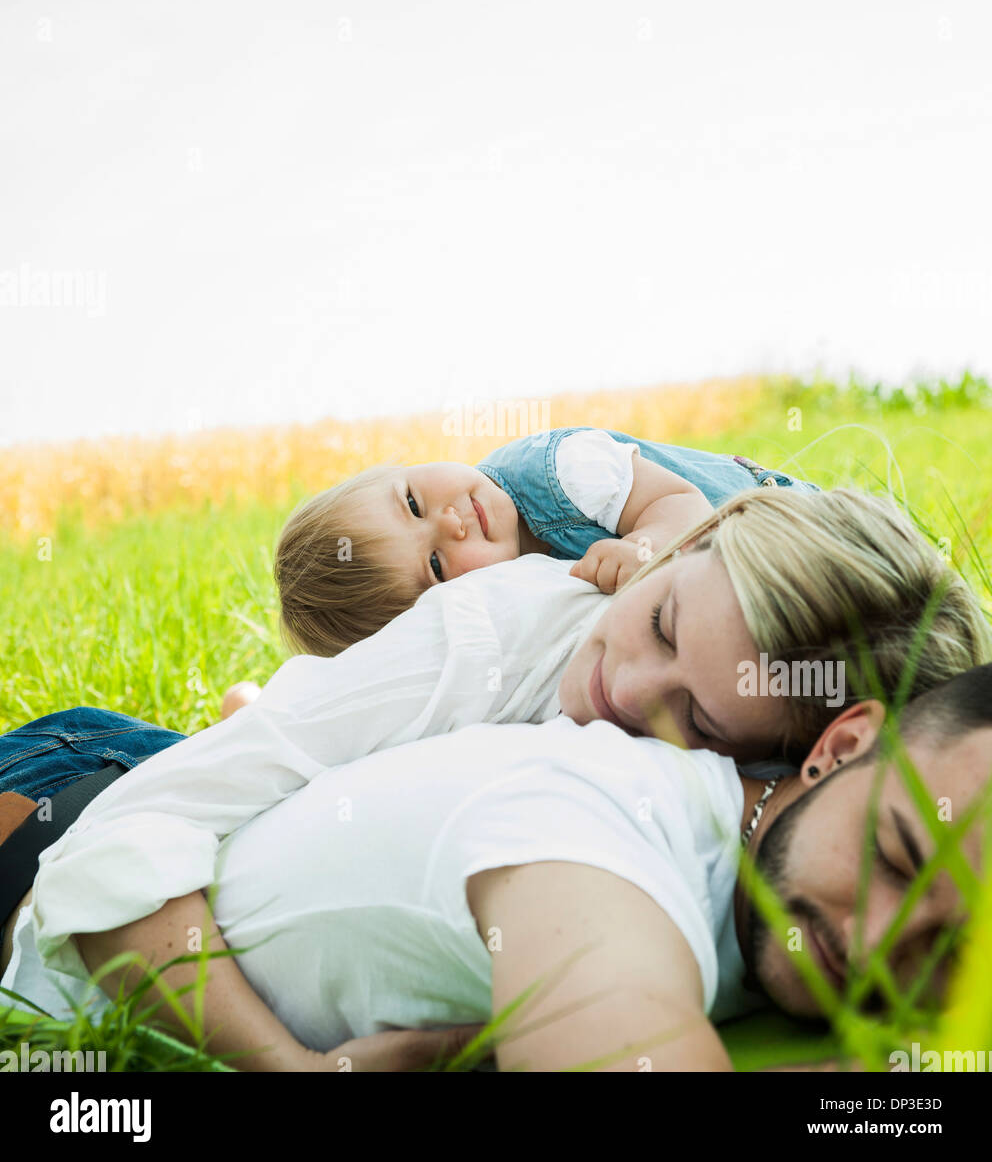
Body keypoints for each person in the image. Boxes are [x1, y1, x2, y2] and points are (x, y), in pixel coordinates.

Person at [7, 665, 992, 1071]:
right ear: (839, 746)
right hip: (49, 831)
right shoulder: (598, 834)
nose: (868, 945)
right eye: (895, 857)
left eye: (946, 949)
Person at [275, 426, 822, 655]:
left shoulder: (557, 471)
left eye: (414, 503)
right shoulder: (508, 601)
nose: (450, 522)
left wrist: (646, 548)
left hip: (794, 525)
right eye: (437, 565)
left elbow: (681, 505)